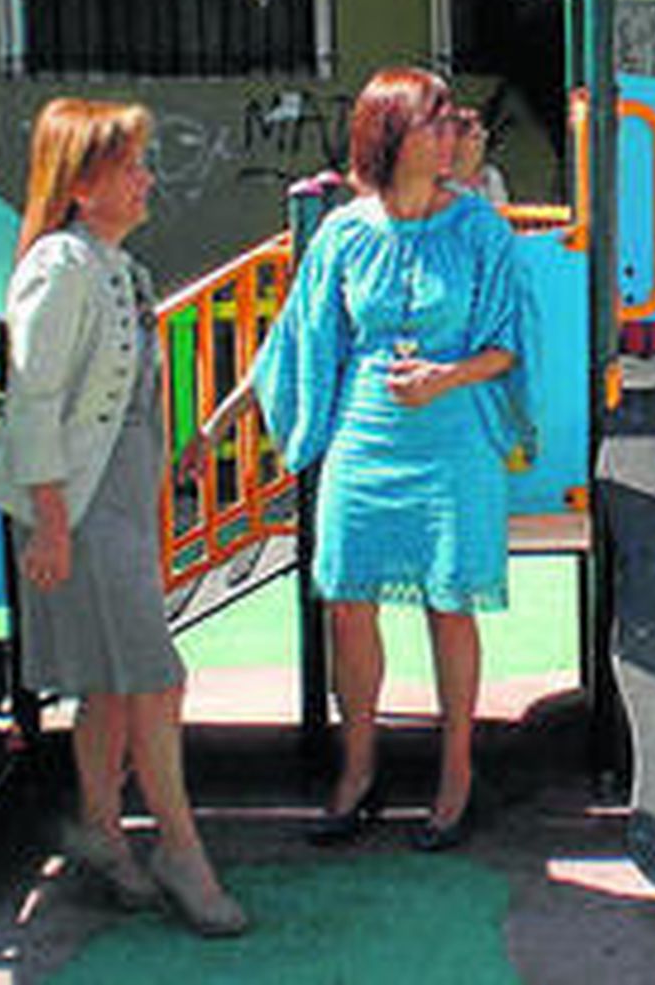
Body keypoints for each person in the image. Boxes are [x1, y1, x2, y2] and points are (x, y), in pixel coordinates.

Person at [186, 66, 531, 853]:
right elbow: (296, 340)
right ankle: (359, 769)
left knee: (451, 603)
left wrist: (446, 374)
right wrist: (216, 424)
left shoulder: (480, 228)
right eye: (436, 121)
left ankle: (456, 774)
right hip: (362, 437)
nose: (454, 134)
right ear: (392, 135)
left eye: (452, 122)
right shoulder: (344, 231)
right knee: (347, 604)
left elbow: (510, 344)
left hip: (452, 440)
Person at [0, 99, 247, 937]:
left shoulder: (117, 265)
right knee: (155, 677)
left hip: (114, 497)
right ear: (84, 186)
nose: (148, 177)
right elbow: (34, 402)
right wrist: (52, 524)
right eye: (131, 165)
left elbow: (126, 400)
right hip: (80, 505)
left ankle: (101, 832)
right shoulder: (60, 264)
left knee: (112, 685)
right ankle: (180, 850)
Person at [450, 104, 510, 206]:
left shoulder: (492, 176)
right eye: (474, 138)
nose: (480, 143)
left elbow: (502, 214)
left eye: (480, 136)